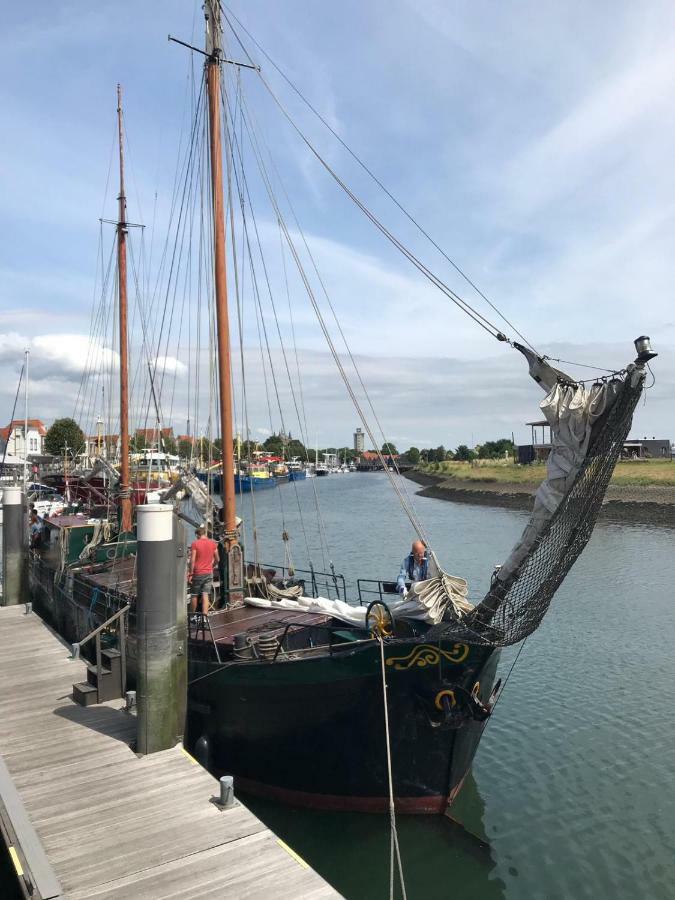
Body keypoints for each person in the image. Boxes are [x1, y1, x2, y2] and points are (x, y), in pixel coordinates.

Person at [188, 525, 220, 617]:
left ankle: (192, 617)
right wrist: (212, 566)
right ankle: (205, 617)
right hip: (208, 573)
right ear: (205, 534)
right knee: (205, 594)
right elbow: (218, 559)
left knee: (194, 595)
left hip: (198, 573)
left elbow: (192, 560)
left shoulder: (195, 544)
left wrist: (190, 573)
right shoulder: (213, 544)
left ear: (197, 535)